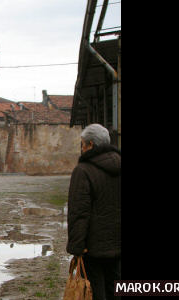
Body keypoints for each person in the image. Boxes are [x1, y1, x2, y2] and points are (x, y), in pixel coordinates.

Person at [66, 123, 121, 300]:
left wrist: (77, 247)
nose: (81, 148)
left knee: (94, 291)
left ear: (90, 145)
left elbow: (79, 212)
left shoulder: (83, 171)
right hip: (118, 245)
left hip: (93, 247)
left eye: (82, 144)